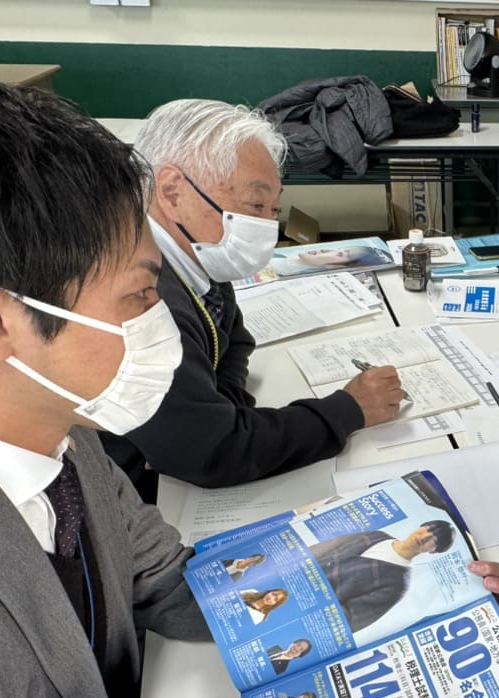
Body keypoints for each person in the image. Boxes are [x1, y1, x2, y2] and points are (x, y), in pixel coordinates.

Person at [0, 80, 499, 698]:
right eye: (140, 297)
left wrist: (397, 580)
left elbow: (175, 583)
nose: (158, 322)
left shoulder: (63, 437)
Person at [99, 99, 405, 501]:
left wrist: (219, 409)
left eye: (273, 208)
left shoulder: (194, 250)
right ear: (172, 190)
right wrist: (348, 410)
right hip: (129, 493)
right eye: (254, 204)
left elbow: (235, 340)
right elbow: (214, 452)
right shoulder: (137, 296)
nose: (264, 225)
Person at [311, 521, 455, 633]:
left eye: (434, 540)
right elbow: (325, 547)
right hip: (294, 576)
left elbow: (349, 621)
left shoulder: (398, 583)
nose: (425, 537)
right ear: (421, 526)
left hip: (308, 608)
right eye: (428, 529)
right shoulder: (377, 535)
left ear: (434, 551)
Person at [270, 244, 394, 277]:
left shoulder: (282, 276)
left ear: (336, 268)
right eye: (339, 249)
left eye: (339, 254)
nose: (325, 250)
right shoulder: (275, 255)